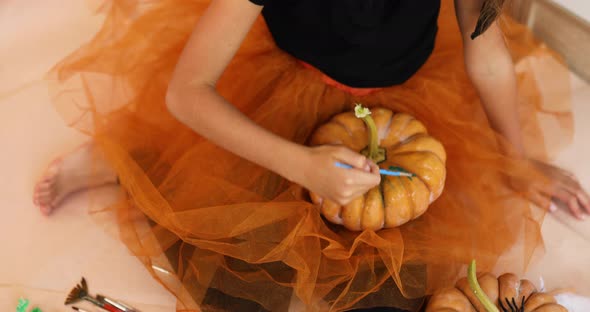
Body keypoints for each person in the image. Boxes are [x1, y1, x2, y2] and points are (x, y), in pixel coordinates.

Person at [33, 0, 589, 310]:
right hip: (280, 98)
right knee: (239, 289)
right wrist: (298, 165)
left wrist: (518, 159)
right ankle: (132, 157)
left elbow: (486, 57)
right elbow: (188, 90)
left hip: (401, 109)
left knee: (399, 293)